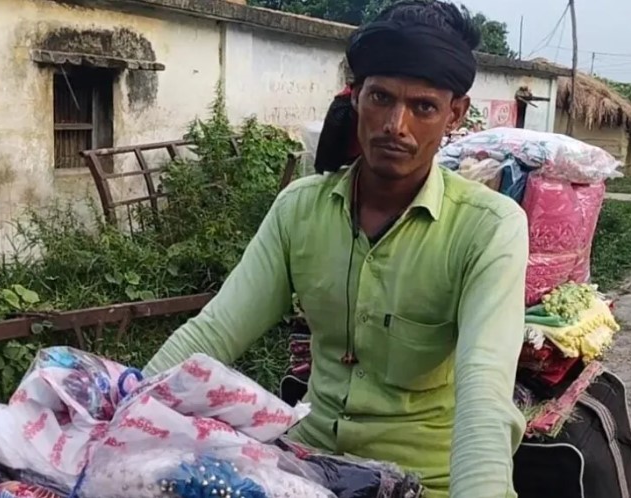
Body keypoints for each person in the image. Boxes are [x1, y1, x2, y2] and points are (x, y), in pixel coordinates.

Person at [143, 1, 529, 497]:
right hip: (309, 467)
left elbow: (484, 391)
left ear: (455, 113)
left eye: (423, 107)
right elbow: (215, 331)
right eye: (381, 98)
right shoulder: (299, 209)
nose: (396, 125)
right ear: (356, 95)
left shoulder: (488, 227)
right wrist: (120, 409)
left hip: (428, 480)